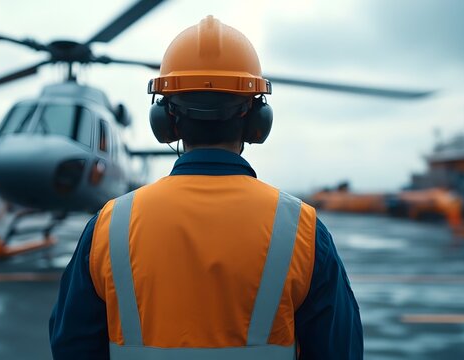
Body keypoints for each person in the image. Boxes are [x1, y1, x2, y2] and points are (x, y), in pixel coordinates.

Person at [50, 16, 363, 359]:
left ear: (166, 121)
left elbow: (71, 344)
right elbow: (340, 350)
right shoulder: (301, 229)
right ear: (259, 121)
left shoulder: (110, 225)